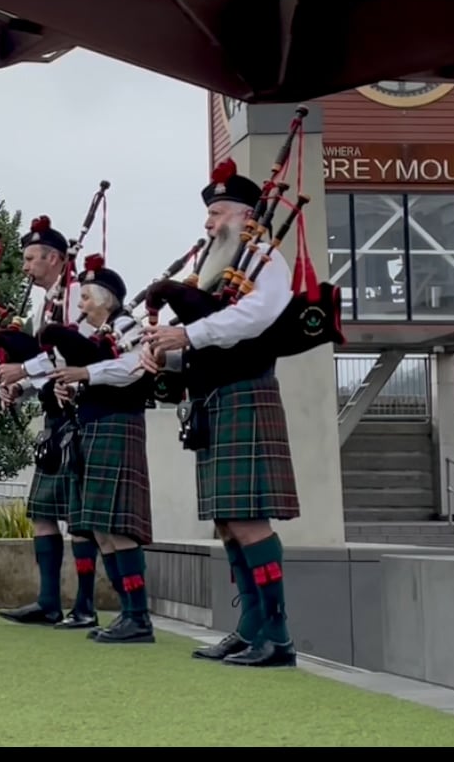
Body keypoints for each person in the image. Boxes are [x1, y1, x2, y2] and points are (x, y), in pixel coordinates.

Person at [140, 159, 299, 668]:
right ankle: (251, 628)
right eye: (208, 215)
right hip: (215, 398)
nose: (208, 224)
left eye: (218, 213)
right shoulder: (216, 271)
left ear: (244, 214)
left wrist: (187, 332)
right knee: (229, 523)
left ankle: (276, 636)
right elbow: (209, 339)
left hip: (246, 394)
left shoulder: (264, 259)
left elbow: (255, 318)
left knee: (249, 521)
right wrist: (163, 352)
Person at [0, 216, 101, 632]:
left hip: (80, 411)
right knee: (42, 511)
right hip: (55, 413)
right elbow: (47, 364)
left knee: (79, 517)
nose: (25, 266)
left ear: (55, 258)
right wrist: (20, 387)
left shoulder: (76, 296)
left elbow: (77, 350)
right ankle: (49, 602)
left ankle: (86, 605)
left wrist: (22, 369)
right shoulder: (47, 303)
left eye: (31, 258)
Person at [50, 259, 156, 643]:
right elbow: (96, 372)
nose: (80, 305)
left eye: (87, 297)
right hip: (92, 426)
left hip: (118, 424)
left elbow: (134, 369)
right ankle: (129, 614)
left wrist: (86, 375)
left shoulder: (128, 327)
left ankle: (139, 617)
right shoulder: (98, 335)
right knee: (101, 529)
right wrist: (72, 387)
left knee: (118, 527)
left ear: (107, 300)